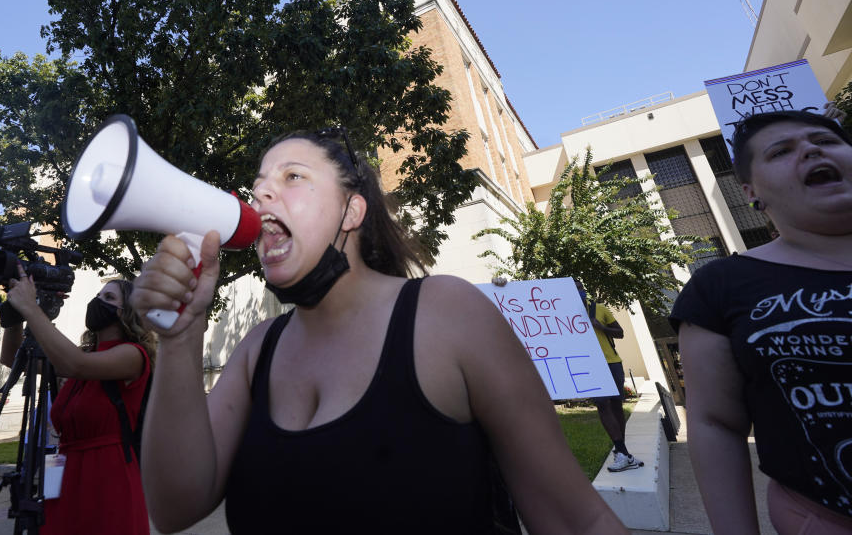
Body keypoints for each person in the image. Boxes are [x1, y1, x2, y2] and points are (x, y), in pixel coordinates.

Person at [133, 128, 627, 534]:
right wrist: (179, 339)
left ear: (351, 211)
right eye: (260, 182)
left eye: (292, 176)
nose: (262, 192)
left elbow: (576, 519)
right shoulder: (257, 349)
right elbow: (175, 508)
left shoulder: (446, 314)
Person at [671, 107, 852, 534]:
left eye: (826, 141)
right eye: (781, 151)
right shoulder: (720, 286)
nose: (809, 149)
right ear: (752, 194)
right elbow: (714, 423)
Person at [1, 275, 155, 535]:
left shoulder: (132, 355)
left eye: (109, 298)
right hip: (63, 469)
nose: (98, 301)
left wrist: (31, 307)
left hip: (107, 473)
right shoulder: (80, 357)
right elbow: (11, 358)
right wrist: (14, 317)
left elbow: (76, 365)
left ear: (127, 312)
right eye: (98, 295)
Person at [574, 280, 643, 473]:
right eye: (573, 289)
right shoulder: (562, 314)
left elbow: (620, 333)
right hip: (589, 364)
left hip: (611, 362)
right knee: (602, 403)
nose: (577, 291)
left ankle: (622, 451)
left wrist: (601, 327)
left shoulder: (600, 309)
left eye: (579, 287)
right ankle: (622, 451)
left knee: (615, 404)